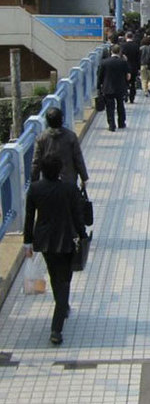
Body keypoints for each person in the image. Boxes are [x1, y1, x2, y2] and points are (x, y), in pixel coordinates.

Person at [24, 155, 87, 345]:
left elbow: (29, 218)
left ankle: (62, 305)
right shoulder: (69, 189)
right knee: (65, 280)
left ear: (42, 170)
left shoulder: (35, 189)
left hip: (44, 241)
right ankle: (56, 328)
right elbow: (77, 215)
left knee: (54, 275)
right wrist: (83, 235)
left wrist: (28, 243)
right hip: (66, 238)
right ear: (60, 170)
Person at [31, 107, 89, 187]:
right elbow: (78, 158)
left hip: (49, 182)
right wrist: (84, 177)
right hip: (68, 181)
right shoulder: (71, 136)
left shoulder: (41, 138)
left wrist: (34, 182)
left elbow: (36, 162)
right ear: (62, 119)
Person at [97, 44, 130, 131]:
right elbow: (128, 76)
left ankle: (111, 125)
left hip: (108, 87)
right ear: (119, 52)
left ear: (111, 51)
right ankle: (121, 123)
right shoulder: (123, 62)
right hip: (120, 87)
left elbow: (100, 76)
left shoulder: (104, 62)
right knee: (120, 105)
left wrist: (99, 87)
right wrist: (126, 84)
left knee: (110, 107)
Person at [121, 32, 140, 103]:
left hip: (125, 67)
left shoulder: (123, 45)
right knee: (133, 83)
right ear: (132, 37)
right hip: (134, 67)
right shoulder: (136, 46)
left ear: (126, 37)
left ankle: (125, 95)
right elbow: (138, 58)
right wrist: (138, 68)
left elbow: (121, 56)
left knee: (124, 82)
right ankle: (132, 97)